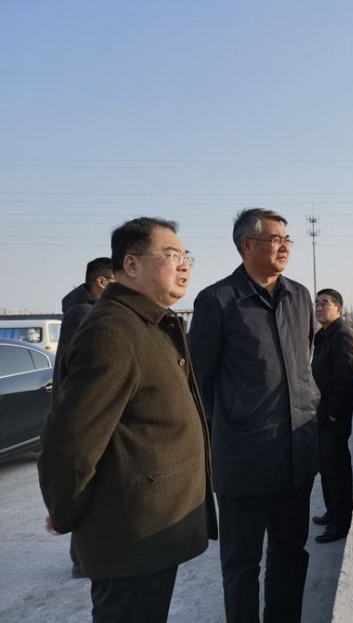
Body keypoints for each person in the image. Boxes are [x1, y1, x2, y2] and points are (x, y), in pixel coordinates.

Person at [38, 217, 216, 623]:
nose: (184, 264)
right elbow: (70, 443)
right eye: (171, 255)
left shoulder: (147, 323)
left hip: (150, 533)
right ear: (131, 265)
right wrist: (64, 512)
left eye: (186, 256)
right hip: (129, 537)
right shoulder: (113, 331)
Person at [188, 208, 318, 623]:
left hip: (296, 455)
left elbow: (302, 364)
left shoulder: (300, 296)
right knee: (242, 565)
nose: (284, 246)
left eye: (287, 240)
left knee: (290, 554)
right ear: (247, 245)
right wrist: (234, 424)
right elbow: (198, 381)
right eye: (275, 239)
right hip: (244, 461)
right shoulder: (217, 301)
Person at [55, 256, 115, 578]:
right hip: (81, 413)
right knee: (85, 487)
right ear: (101, 282)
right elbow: (79, 370)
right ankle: (80, 560)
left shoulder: (88, 309)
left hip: (86, 411)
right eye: (116, 281)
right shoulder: (82, 313)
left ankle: (87, 555)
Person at [311, 289, 353, 544]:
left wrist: (332, 413)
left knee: (337, 469)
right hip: (322, 412)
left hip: (334, 416)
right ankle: (332, 513)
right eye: (317, 303)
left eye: (325, 303)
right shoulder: (324, 335)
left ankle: (342, 523)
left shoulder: (342, 336)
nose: (319, 307)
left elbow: (345, 380)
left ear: (338, 308)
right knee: (326, 467)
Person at [57, 257, 115, 355]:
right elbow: (85, 356)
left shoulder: (97, 310)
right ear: (101, 282)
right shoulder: (81, 313)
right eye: (118, 280)